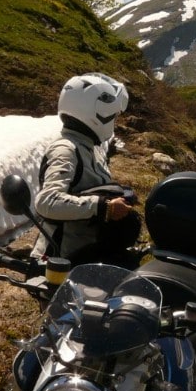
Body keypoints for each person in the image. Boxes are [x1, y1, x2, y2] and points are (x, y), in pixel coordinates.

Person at [31, 72, 140, 265]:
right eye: (113, 117)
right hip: (63, 259)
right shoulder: (66, 149)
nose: (114, 122)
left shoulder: (90, 148)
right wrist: (103, 207)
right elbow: (46, 202)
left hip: (89, 254)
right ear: (97, 113)